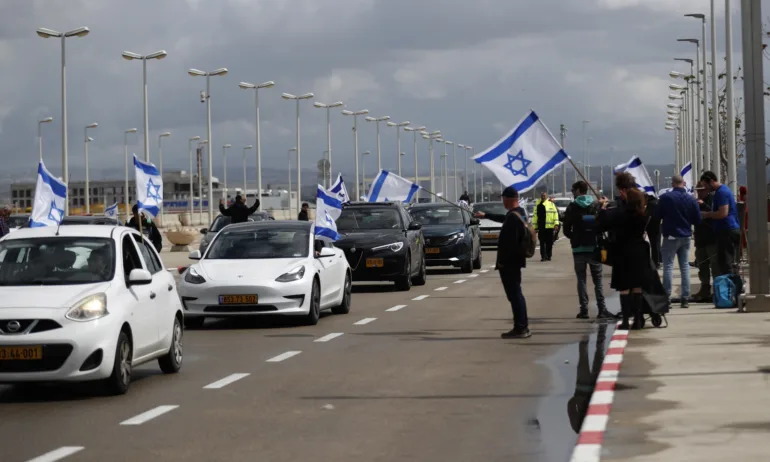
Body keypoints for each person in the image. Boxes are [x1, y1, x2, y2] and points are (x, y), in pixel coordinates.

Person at [597, 172, 655, 330]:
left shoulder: (618, 214)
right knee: (637, 286)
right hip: (640, 251)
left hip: (622, 251)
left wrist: (602, 208)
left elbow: (601, 224)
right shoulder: (644, 215)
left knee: (624, 287)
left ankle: (625, 320)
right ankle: (638, 319)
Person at [474, 186, 531, 339]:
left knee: (515, 295)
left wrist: (503, 263)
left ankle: (521, 328)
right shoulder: (519, 213)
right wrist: (485, 215)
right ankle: (521, 326)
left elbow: (510, 244)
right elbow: (503, 218)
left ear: (508, 199)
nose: (502, 201)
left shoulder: (513, 218)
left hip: (510, 263)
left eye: (503, 198)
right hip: (516, 261)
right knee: (516, 294)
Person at [562, 181, 611, 320]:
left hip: (578, 249)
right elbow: (603, 223)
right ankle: (602, 309)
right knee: (598, 281)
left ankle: (584, 310)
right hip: (594, 247)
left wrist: (574, 238)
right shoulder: (596, 205)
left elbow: (566, 229)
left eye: (573, 189)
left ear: (578, 190)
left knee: (581, 280)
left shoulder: (572, 207)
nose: (572, 192)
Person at [656, 175, 701, 308]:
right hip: (686, 236)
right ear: (684, 183)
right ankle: (685, 298)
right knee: (685, 267)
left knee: (668, 266)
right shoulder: (691, 199)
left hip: (670, 235)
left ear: (672, 184)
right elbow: (697, 220)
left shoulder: (665, 198)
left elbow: (657, 216)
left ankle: (667, 297)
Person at [700, 171, 740, 276]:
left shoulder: (722, 192)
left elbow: (723, 213)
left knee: (726, 263)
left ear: (711, 181)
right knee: (723, 261)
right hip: (724, 230)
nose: (706, 188)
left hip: (727, 231)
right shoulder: (719, 192)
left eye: (706, 185)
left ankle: (729, 288)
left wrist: (707, 215)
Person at [690, 181, 719, 303]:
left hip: (712, 238)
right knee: (702, 266)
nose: (700, 192)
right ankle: (705, 288)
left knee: (715, 266)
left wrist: (705, 206)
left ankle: (718, 291)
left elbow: (717, 214)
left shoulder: (712, 199)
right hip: (701, 238)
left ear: (707, 189)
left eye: (702, 190)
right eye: (698, 190)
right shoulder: (696, 202)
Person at [533, 192, 559, 261]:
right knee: (542, 242)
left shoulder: (551, 204)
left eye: (544, 196)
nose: (543, 197)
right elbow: (535, 217)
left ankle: (549, 255)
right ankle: (543, 256)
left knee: (549, 242)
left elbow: (555, 214)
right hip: (541, 227)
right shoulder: (537, 205)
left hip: (549, 227)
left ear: (547, 196)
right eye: (542, 196)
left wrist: (556, 224)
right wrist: (535, 227)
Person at [645, 193, 662, 269]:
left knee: (653, 245)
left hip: (651, 226)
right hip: (658, 225)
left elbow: (649, 215)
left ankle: (656, 262)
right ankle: (659, 259)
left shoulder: (650, 204)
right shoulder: (658, 202)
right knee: (657, 244)